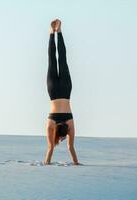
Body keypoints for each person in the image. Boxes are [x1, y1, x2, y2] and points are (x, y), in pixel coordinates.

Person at [44, 19, 79, 165]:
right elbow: (50, 148)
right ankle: (52, 33)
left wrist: (76, 163)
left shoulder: (69, 123)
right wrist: (47, 162)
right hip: (53, 91)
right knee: (52, 61)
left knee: (63, 60)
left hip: (65, 90)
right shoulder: (51, 124)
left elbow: (71, 147)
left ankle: (59, 31)